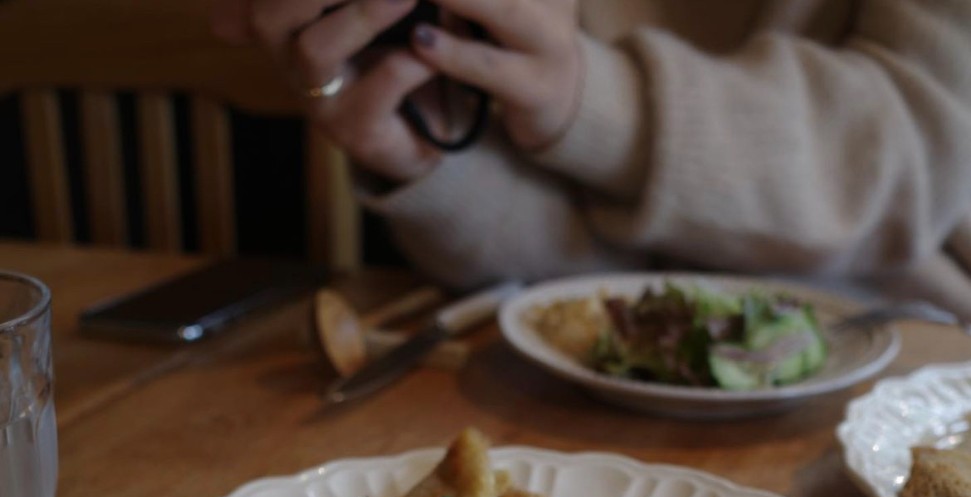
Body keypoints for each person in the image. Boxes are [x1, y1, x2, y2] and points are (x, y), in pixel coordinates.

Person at [211, 1, 971, 318]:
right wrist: (430, 161)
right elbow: (545, 287)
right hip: (558, 357)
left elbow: (925, 160)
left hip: (895, 352)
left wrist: (588, 100)